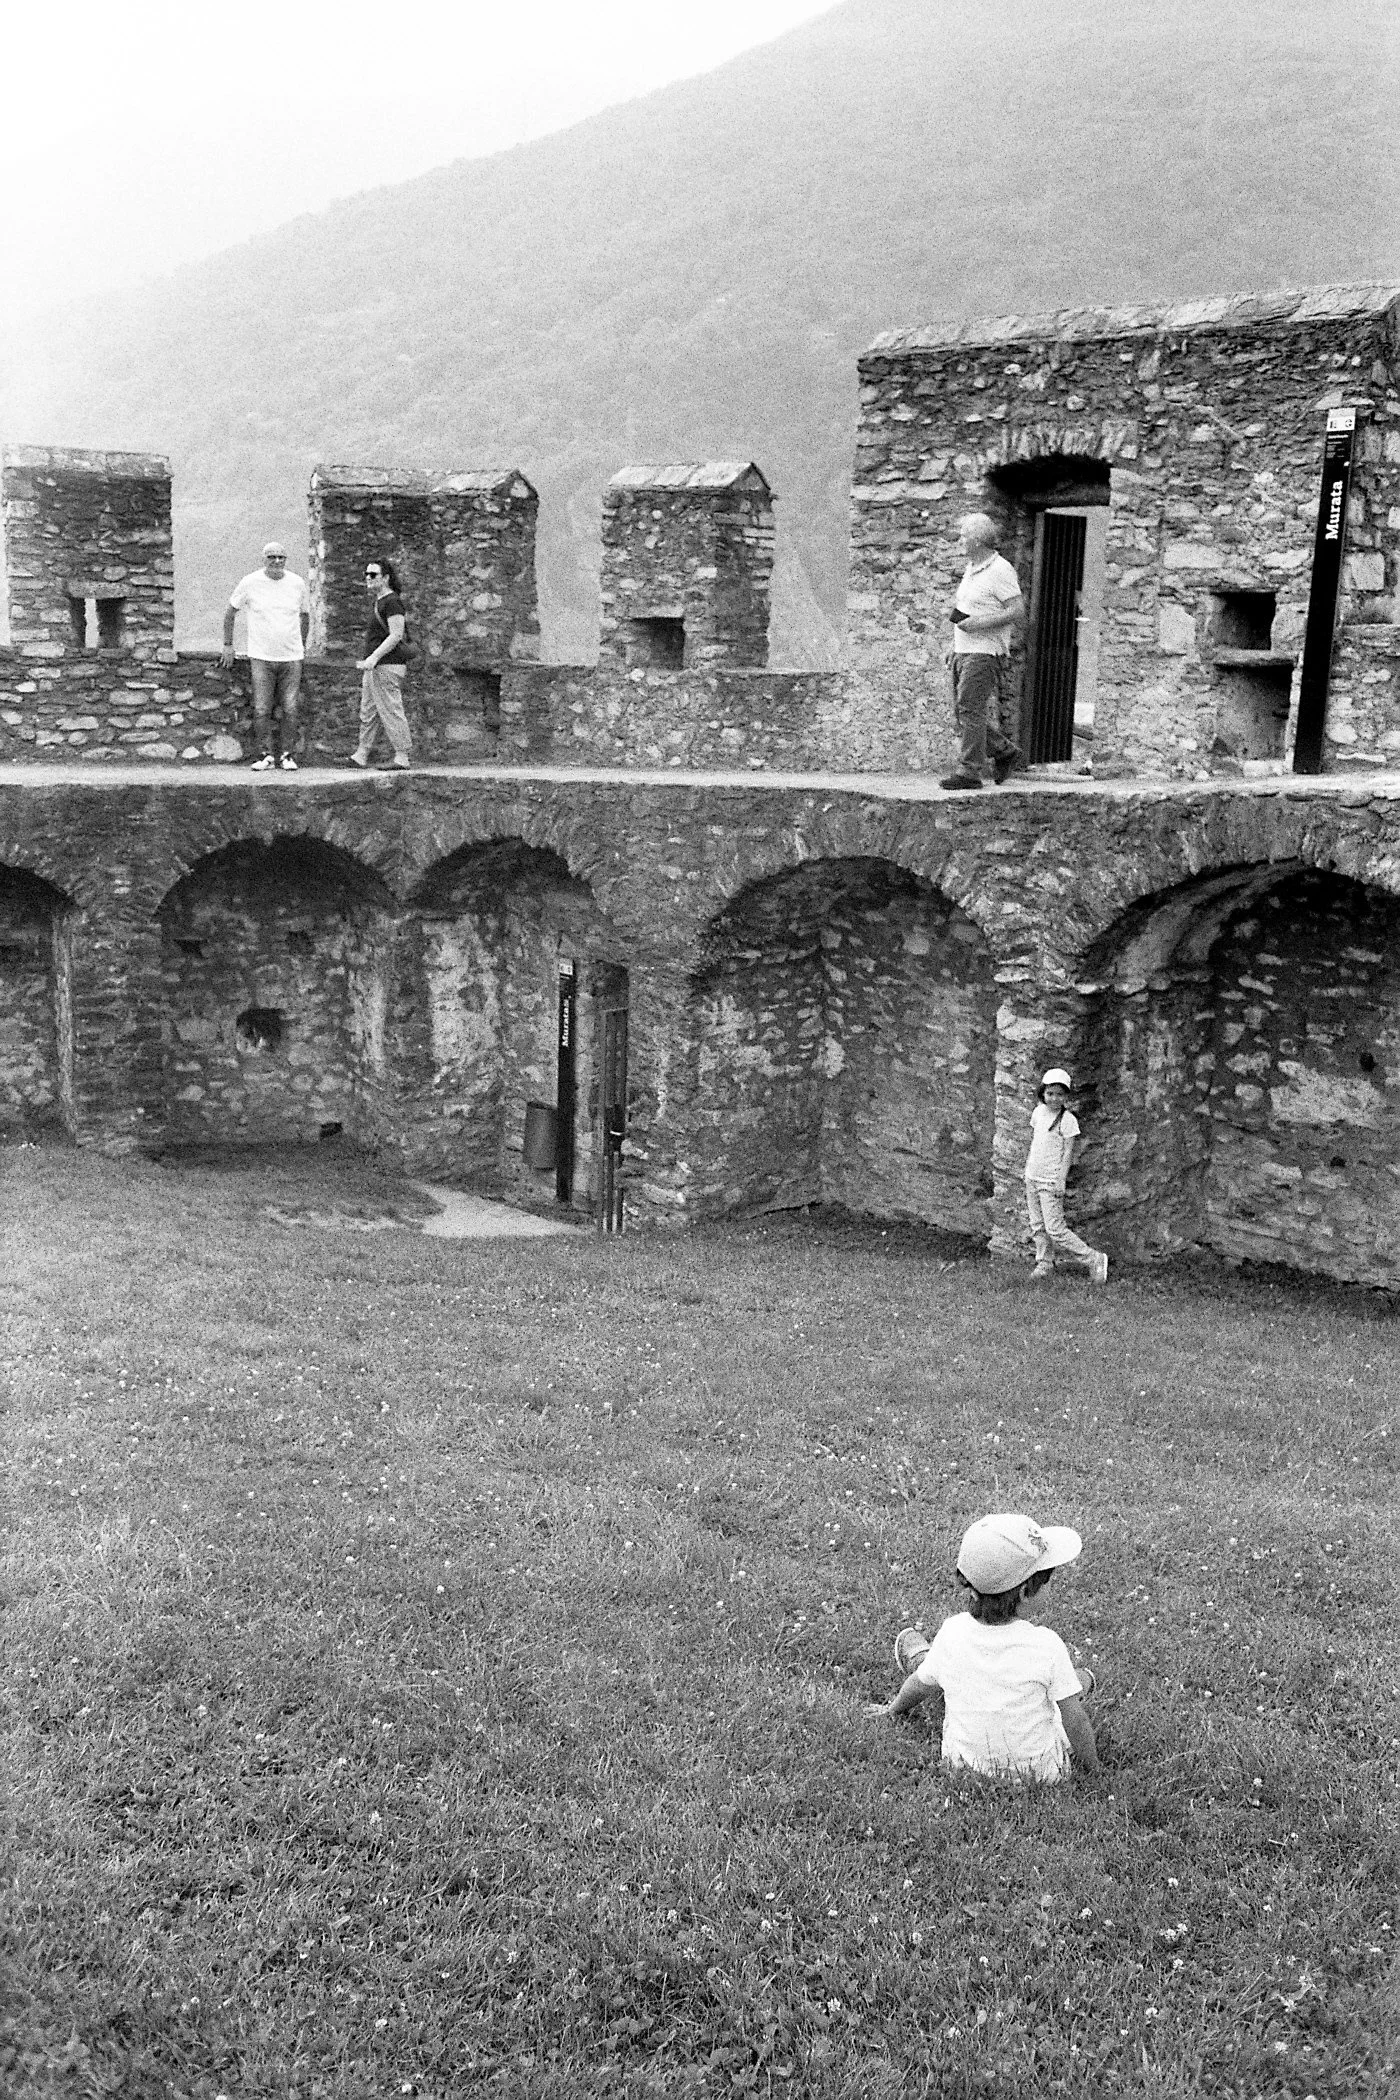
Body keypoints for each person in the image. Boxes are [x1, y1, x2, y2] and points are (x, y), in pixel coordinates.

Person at [868, 1511, 1099, 1783]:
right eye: (1047, 1581)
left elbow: (920, 1685)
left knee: (940, 1674)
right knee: (1060, 1701)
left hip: (964, 1767)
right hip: (1040, 1775)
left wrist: (892, 1709)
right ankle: (1077, 1682)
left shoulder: (953, 1631)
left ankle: (924, 1659)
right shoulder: (1046, 1645)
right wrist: (1095, 1769)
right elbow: (1075, 1720)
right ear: (1025, 1592)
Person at [940, 512, 1024, 792]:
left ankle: (970, 771)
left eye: (964, 535)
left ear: (977, 541)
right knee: (963, 710)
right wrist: (956, 646)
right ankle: (1003, 751)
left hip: (985, 651)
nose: (960, 540)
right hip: (965, 650)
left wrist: (979, 625)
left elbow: (1016, 610)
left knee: (969, 708)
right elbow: (966, 610)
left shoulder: (1000, 569)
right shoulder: (972, 568)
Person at [222, 542, 311, 771]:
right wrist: (228, 645)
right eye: (272, 557)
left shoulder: (297, 583)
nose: (277, 561)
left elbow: (304, 616)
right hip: (261, 656)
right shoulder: (250, 582)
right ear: (264, 559)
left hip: (291, 657)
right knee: (262, 708)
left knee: (290, 708)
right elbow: (231, 612)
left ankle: (287, 755)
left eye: (281, 557)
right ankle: (265, 756)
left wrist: (300, 646)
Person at [1026, 1067, 1108, 1284]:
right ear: (1042, 1092)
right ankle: (1045, 1262)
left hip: (1050, 1181)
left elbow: (1068, 1153)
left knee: (1056, 1229)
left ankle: (1093, 1258)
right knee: (1038, 1225)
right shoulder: (1038, 1113)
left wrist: (1060, 1180)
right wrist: (1029, 1174)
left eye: (1060, 1094)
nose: (1054, 1098)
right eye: (1050, 1093)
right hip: (1032, 1177)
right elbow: (1037, 1142)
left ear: (1066, 1097)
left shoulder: (1067, 1120)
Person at [349, 558, 412, 771]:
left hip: (387, 665)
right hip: (376, 666)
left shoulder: (392, 602)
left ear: (385, 578)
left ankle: (402, 756)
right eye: (366, 574)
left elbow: (396, 634)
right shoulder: (381, 601)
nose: (368, 578)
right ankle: (361, 754)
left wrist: (374, 657)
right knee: (369, 710)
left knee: (390, 709)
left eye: (373, 575)